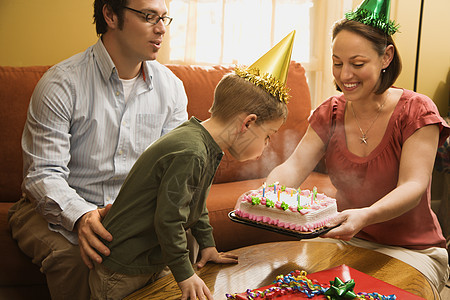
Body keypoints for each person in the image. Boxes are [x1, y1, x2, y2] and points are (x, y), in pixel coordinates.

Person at [88, 32, 296, 300]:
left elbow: (195, 206)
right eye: (269, 135)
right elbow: (169, 220)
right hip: (124, 270)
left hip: (149, 260)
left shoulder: (203, 142)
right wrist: (185, 274)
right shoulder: (192, 152)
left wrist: (207, 245)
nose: (267, 145)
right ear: (247, 123)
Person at [263, 0, 450, 292]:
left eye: (357, 64)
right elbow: (294, 166)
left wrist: (365, 215)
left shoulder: (416, 110)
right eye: (337, 63)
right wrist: (264, 196)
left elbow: (413, 187)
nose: (345, 75)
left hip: (411, 250)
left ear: (386, 57)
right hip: (342, 238)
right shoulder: (330, 112)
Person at [8, 0, 188, 298]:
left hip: (128, 214)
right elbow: (42, 175)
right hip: (53, 210)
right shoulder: (62, 83)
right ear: (110, 14)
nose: (161, 29)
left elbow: (171, 173)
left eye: (164, 18)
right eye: (148, 16)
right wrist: (82, 216)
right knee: (79, 260)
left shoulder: (171, 88)